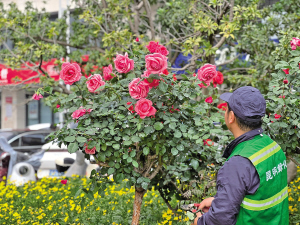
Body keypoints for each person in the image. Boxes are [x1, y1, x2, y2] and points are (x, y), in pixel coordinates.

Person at [192, 86, 289, 225]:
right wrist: (219, 202)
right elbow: (260, 193)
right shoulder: (271, 146)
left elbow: (220, 220)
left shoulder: (238, 163)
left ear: (231, 117)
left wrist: (200, 222)